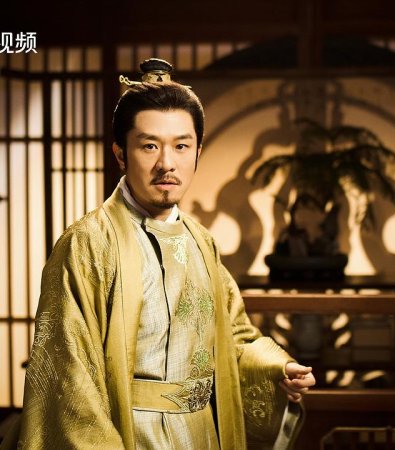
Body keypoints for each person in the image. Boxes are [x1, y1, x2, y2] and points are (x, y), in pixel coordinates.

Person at [1, 58, 315, 450]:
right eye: (149, 146)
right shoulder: (89, 243)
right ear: (120, 154)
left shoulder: (201, 241)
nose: (166, 163)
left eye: (181, 146)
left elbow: (233, 336)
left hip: (204, 432)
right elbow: (70, 375)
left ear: (197, 152)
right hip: (131, 434)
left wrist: (276, 368)